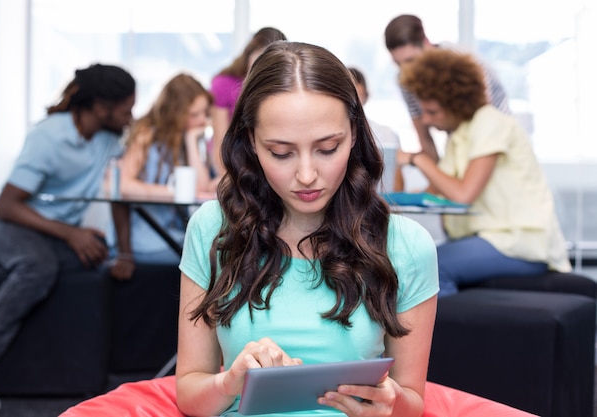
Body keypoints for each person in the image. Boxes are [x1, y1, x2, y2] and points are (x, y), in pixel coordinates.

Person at [175, 41, 439, 417]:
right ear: (251, 142)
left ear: (354, 135)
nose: (306, 175)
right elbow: (189, 393)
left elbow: (412, 402)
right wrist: (228, 382)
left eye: (328, 148)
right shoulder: (213, 228)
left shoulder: (407, 245)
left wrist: (391, 405)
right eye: (281, 152)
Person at [0, 63, 136, 414]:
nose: (131, 117)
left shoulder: (110, 140)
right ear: (102, 108)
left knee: (95, 252)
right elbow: (6, 206)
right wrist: (70, 233)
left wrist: (124, 252)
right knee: (37, 266)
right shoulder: (49, 136)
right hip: (8, 226)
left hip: (51, 234)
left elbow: (118, 197)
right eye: (126, 109)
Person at [396, 48, 571, 297]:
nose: (425, 120)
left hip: (517, 242)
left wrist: (418, 159)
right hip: (489, 240)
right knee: (414, 257)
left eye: (432, 112)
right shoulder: (458, 137)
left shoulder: (490, 122)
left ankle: (448, 334)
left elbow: (464, 194)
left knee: (430, 265)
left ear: (456, 104)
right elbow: (435, 192)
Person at [384, 14, 510, 173]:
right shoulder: (404, 80)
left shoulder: (458, 61)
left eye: (410, 60)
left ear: (426, 43)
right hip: (459, 143)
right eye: (398, 63)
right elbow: (424, 137)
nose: (405, 70)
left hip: (495, 140)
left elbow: (484, 119)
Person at [113, 73, 216, 264]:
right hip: (145, 237)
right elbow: (123, 186)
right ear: (175, 113)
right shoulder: (146, 135)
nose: (202, 120)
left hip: (172, 234)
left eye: (205, 113)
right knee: (204, 264)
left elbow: (201, 188)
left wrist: (192, 140)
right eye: (194, 115)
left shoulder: (188, 139)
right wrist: (175, 193)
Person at [209, 26, 287, 178]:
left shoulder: (284, 89)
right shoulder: (223, 84)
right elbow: (220, 140)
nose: (259, 73)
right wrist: (226, 179)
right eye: (256, 66)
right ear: (248, 56)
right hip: (228, 165)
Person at [348, 66, 402, 192]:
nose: (353, 102)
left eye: (358, 95)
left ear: (367, 96)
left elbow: (396, 188)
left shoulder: (387, 135)